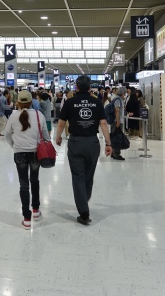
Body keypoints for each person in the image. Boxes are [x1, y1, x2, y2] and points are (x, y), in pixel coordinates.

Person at [56, 75, 112, 225]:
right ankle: (84, 200)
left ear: (76, 86)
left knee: (77, 176)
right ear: (89, 87)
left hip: (76, 142)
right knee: (89, 175)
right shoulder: (97, 102)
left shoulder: (70, 102)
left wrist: (58, 137)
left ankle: (84, 211)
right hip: (93, 143)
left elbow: (61, 122)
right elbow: (104, 124)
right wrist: (108, 143)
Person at [5, 90, 51, 229]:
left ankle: (26, 218)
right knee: (35, 180)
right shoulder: (39, 115)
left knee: (23, 184)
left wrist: (14, 145)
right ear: (31, 102)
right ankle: (36, 210)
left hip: (19, 153)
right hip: (35, 153)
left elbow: (7, 134)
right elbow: (45, 135)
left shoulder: (13, 116)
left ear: (18, 102)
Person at [110, 87, 127, 161]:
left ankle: (113, 152)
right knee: (117, 137)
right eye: (125, 93)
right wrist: (118, 121)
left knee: (115, 136)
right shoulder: (118, 99)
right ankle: (116, 154)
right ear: (123, 93)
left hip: (116, 121)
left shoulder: (118, 99)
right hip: (116, 121)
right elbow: (117, 110)